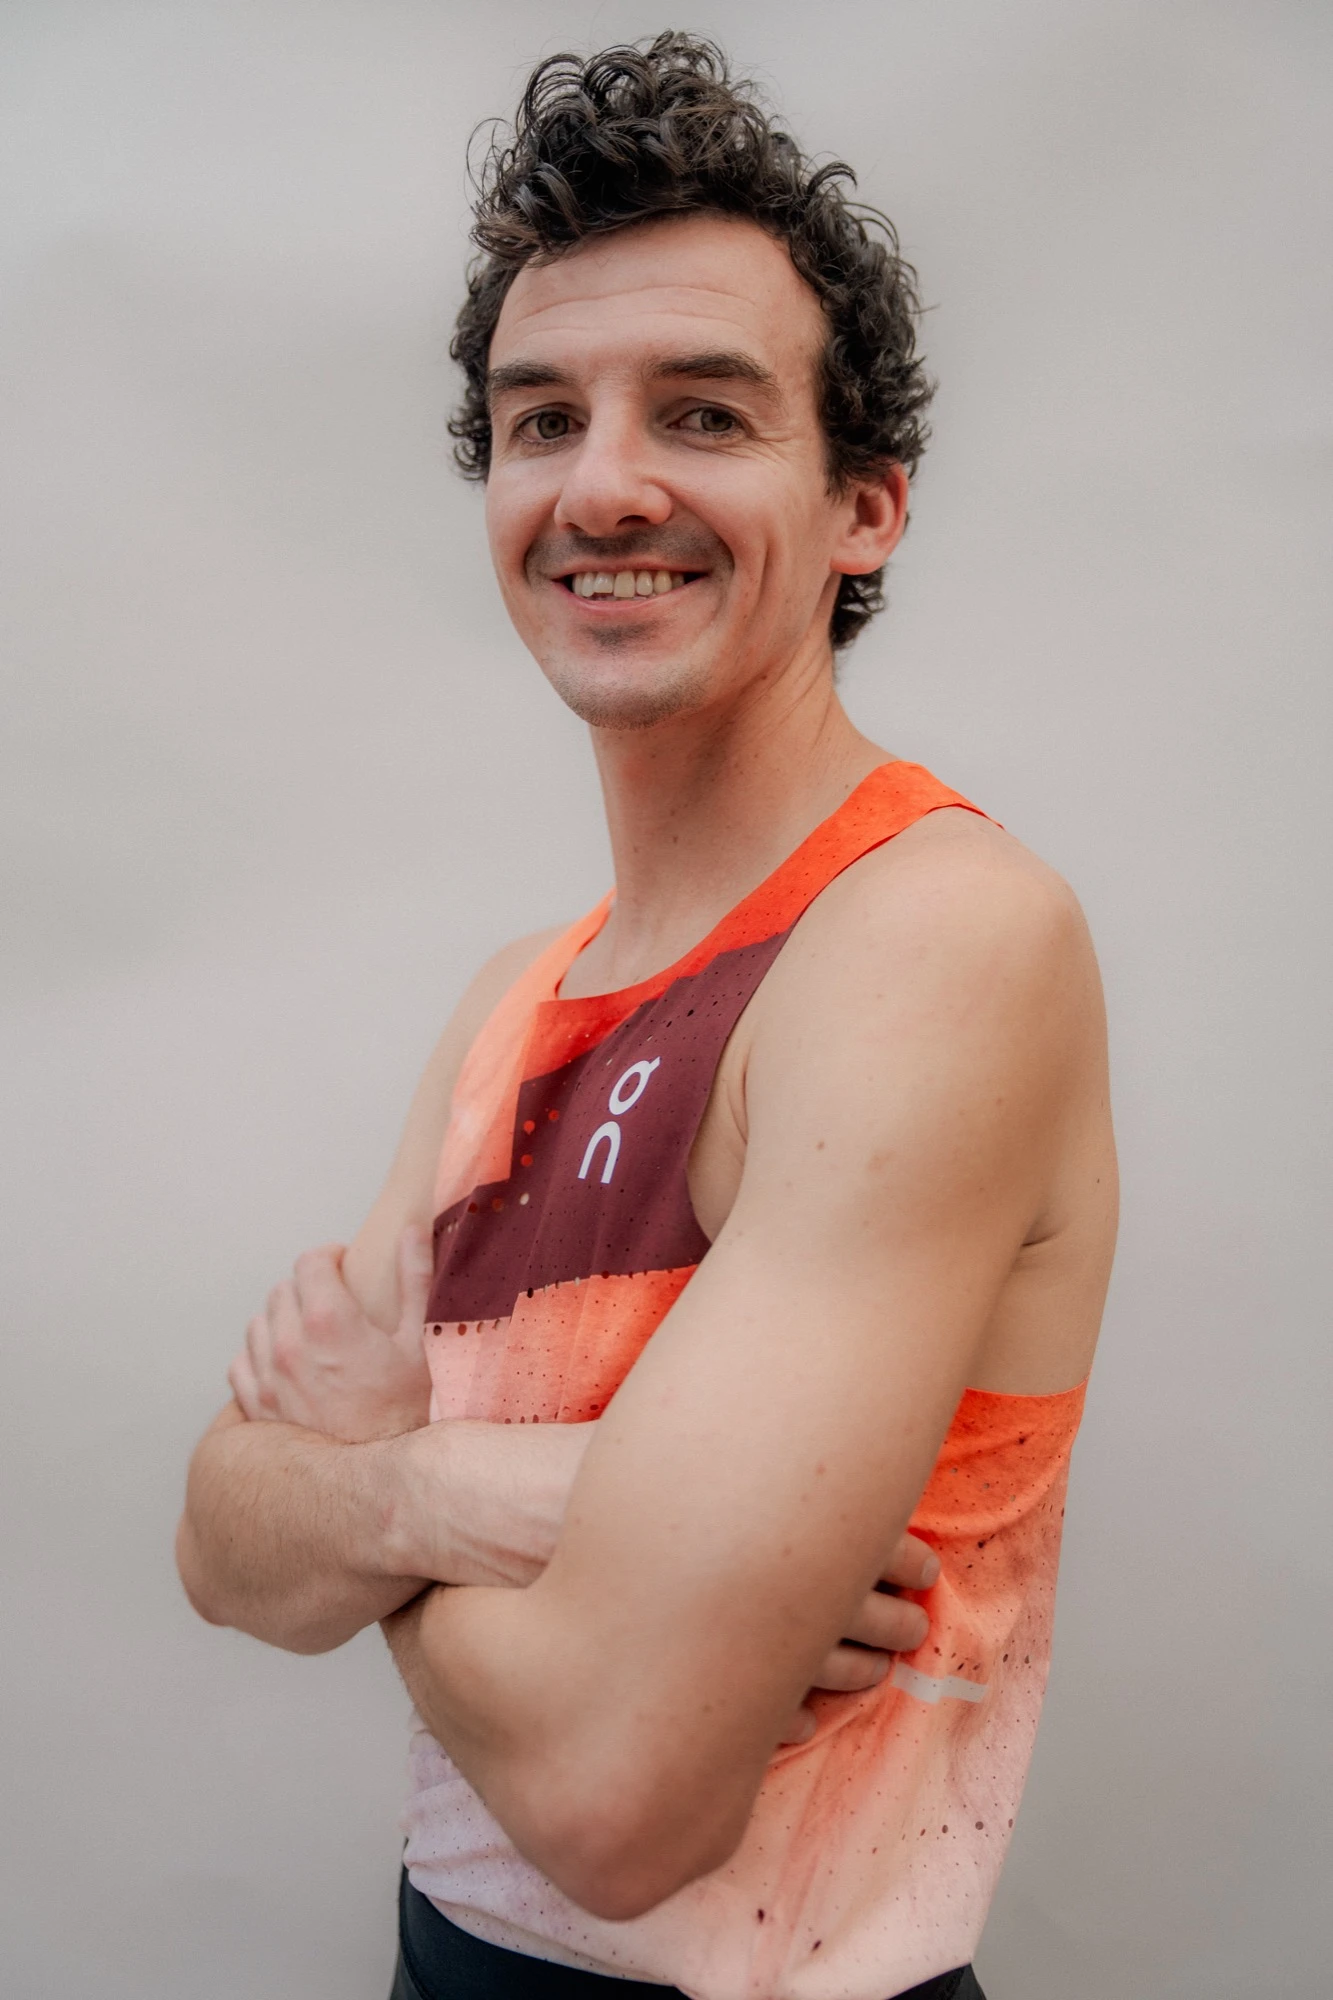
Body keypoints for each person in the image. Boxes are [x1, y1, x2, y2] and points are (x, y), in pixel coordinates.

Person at [176, 33, 1116, 2000]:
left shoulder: (935, 936)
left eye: (702, 412)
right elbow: (218, 1540)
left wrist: (371, 1491)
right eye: (542, 420)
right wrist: (459, 1493)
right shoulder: (515, 998)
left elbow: (615, 1795)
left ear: (866, 506)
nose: (603, 485)